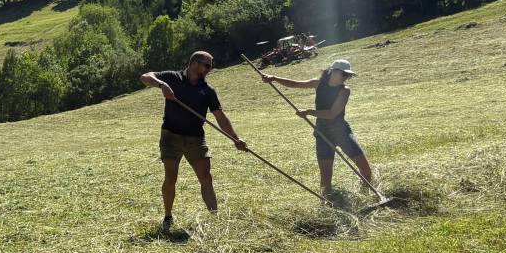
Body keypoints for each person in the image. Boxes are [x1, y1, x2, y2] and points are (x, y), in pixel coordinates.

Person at [139, 50, 248, 231]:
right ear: (195, 63)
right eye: (207, 66)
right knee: (171, 177)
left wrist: (235, 139)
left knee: (206, 177)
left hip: (196, 138)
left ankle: (215, 218)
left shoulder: (208, 91)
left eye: (210, 66)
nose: (209, 69)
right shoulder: (172, 78)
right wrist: (161, 85)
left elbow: (220, 117)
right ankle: (168, 216)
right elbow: (145, 77)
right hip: (171, 136)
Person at [260, 57, 384, 206]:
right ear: (333, 71)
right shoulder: (318, 83)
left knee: (364, 167)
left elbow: (332, 114)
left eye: (348, 75)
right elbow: (295, 84)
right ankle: (326, 204)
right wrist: (274, 78)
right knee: (325, 176)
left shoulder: (344, 90)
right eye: (344, 74)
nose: (346, 77)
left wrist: (309, 112)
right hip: (323, 133)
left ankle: (365, 196)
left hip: (341, 132)